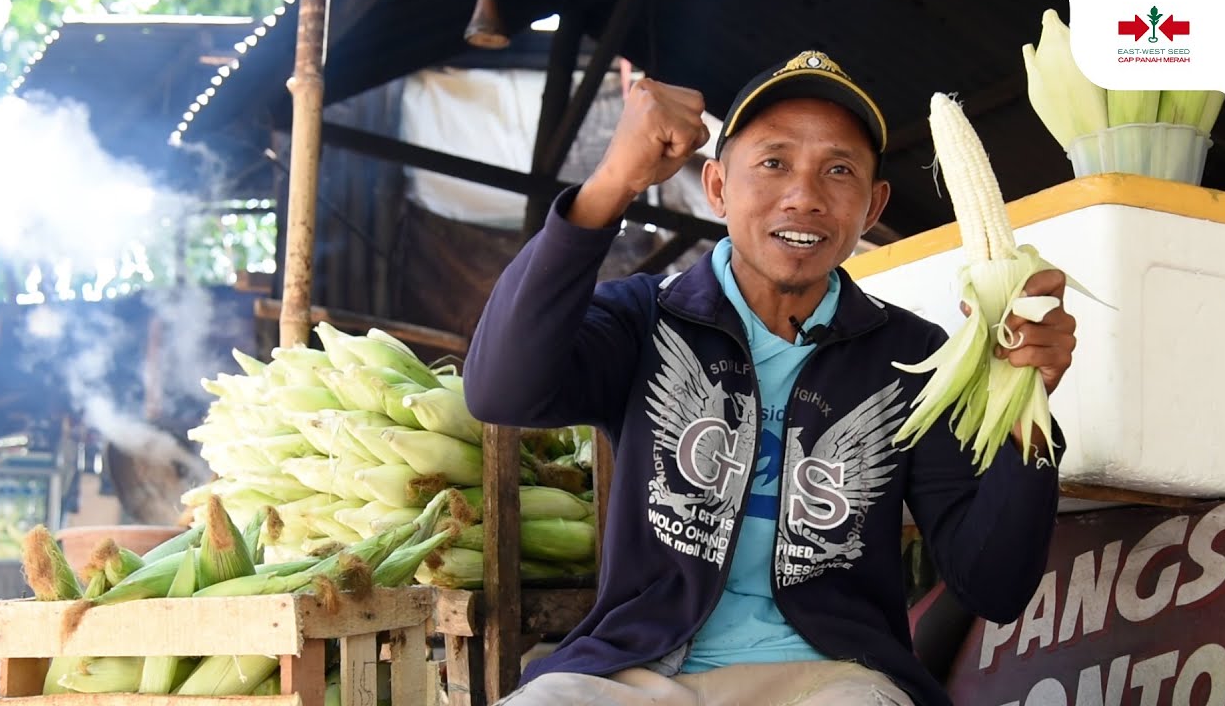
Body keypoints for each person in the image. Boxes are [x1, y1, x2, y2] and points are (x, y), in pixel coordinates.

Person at [462, 50, 1077, 706]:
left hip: (832, 680)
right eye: (774, 163)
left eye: (838, 170)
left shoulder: (912, 358)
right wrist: (613, 181)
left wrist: (1025, 405)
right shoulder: (647, 317)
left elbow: (993, 586)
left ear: (872, 206)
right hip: (637, 671)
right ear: (717, 187)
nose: (804, 196)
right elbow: (502, 390)